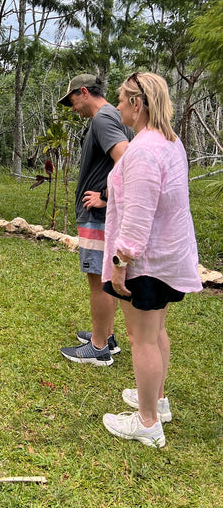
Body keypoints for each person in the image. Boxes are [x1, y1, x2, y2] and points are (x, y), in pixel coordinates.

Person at [101, 72, 202, 447]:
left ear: (138, 104)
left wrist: (118, 261)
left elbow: (139, 215)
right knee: (156, 331)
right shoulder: (170, 142)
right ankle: (156, 403)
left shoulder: (142, 151)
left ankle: (146, 423)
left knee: (140, 338)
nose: (118, 106)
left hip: (145, 261)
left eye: (122, 100)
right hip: (168, 257)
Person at [58, 73, 133, 366]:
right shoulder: (114, 116)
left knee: (98, 280)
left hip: (98, 215)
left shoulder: (103, 119)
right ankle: (107, 336)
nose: (72, 107)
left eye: (72, 100)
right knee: (105, 278)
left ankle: (99, 347)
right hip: (102, 215)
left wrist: (104, 196)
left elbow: (126, 160)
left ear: (85, 92)